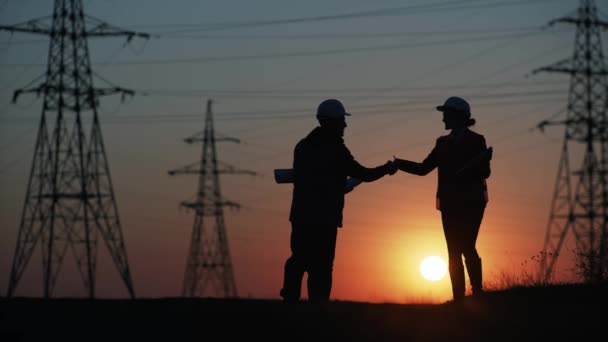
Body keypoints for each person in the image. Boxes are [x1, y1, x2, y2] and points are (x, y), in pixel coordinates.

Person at [280, 98, 398, 303]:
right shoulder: (336, 150)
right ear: (333, 122)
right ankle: (318, 307)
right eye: (342, 120)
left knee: (299, 258)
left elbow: (310, 179)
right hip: (325, 217)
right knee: (322, 265)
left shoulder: (302, 146)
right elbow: (365, 174)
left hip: (301, 215)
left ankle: (290, 301)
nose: (345, 125)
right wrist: (386, 169)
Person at [393, 96, 492, 302]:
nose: (443, 119)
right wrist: (399, 164)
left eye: (446, 114)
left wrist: (478, 165)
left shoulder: (477, 140)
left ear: (458, 116)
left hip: (472, 203)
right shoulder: (442, 143)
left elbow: (485, 172)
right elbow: (423, 169)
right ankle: (459, 298)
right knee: (454, 251)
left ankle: (477, 291)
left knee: (466, 245)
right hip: (449, 204)